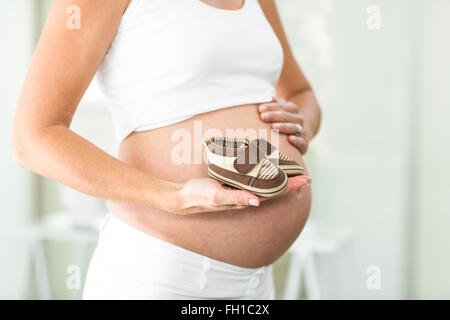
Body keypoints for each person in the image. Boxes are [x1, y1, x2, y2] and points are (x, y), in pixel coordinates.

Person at [12, 0, 321, 299]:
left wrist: (302, 123)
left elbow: (300, 93)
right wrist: (173, 197)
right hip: (159, 276)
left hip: (255, 285)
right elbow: (34, 137)